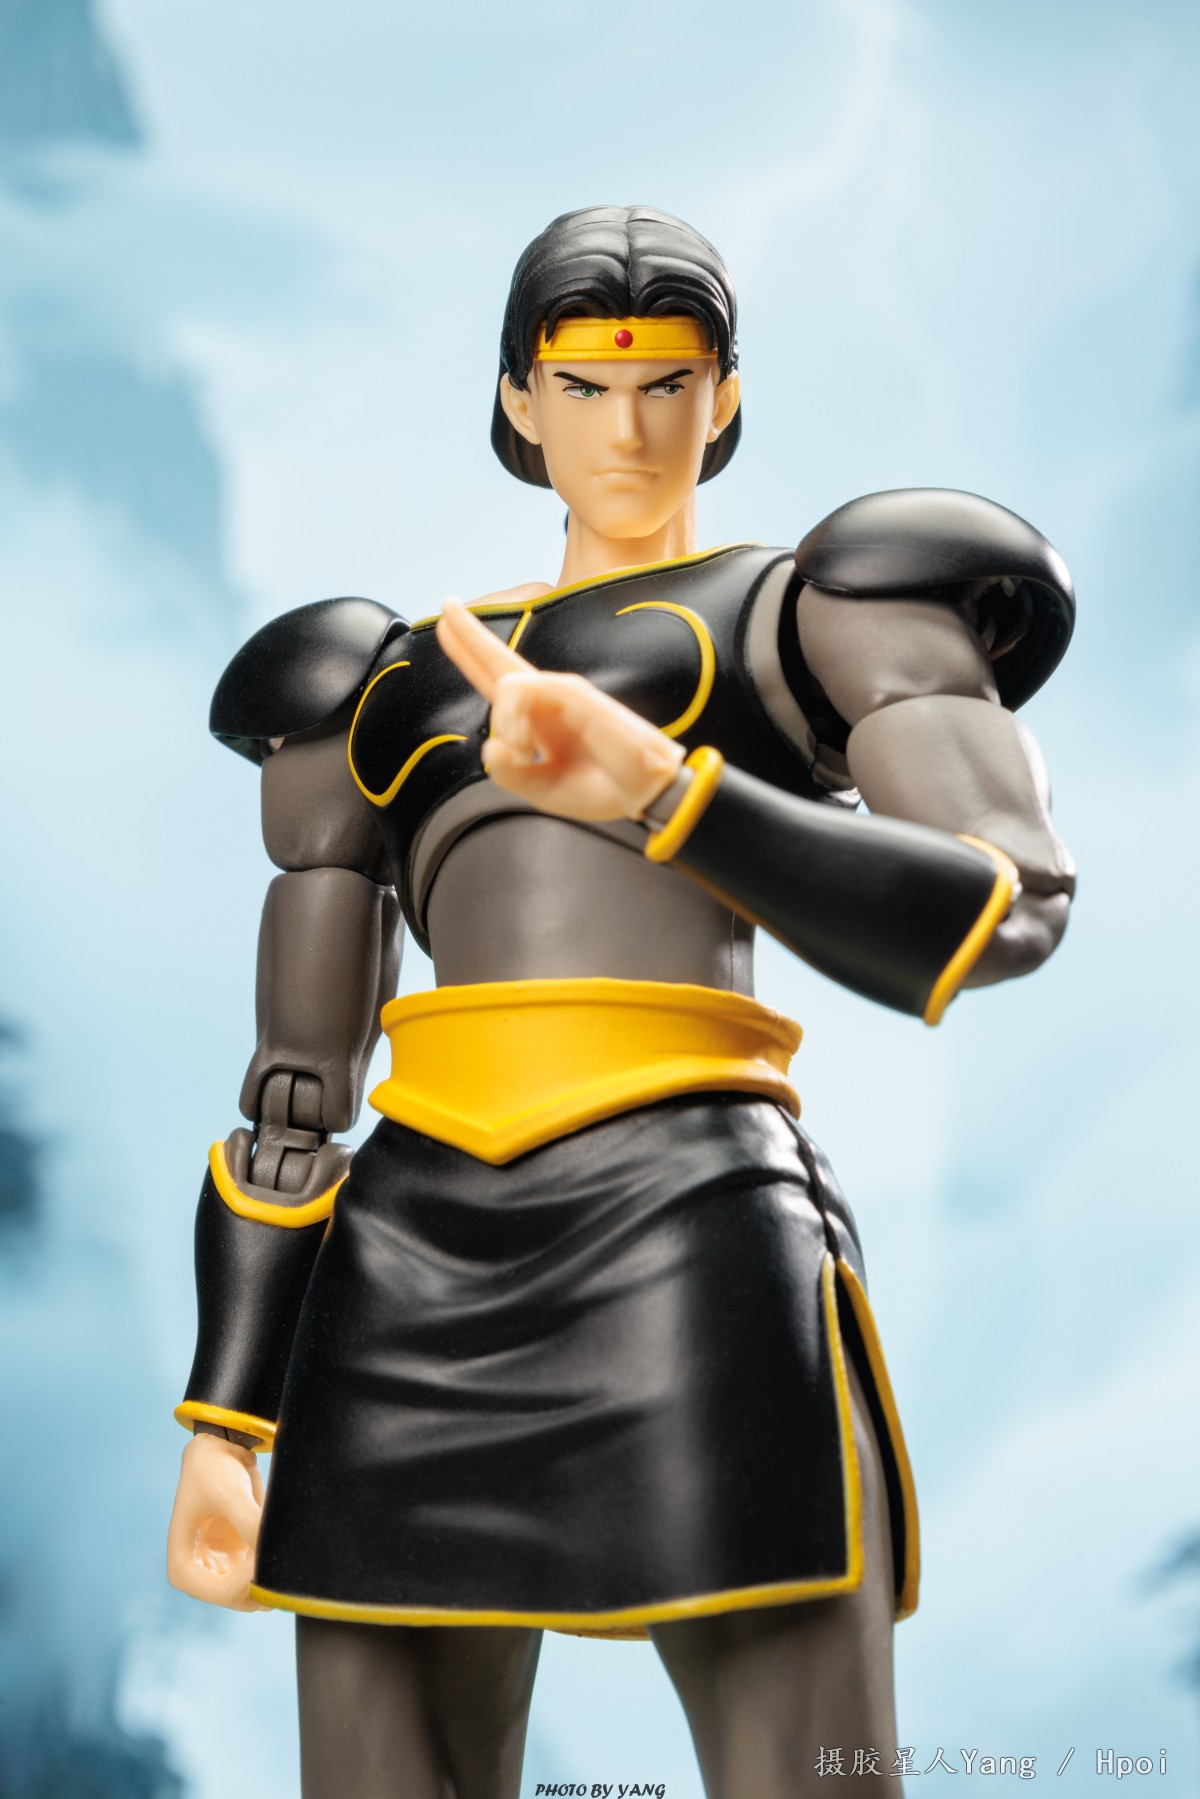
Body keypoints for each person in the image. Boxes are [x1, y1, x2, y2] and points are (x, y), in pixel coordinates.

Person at [166, 205, 1076, 1798]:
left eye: (668, 383)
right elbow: (295, 1094)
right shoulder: (378, 685)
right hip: (408, 1260)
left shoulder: (811, 612)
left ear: (726, 395)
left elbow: (1008, 902)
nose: (630, 429)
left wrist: (663, 791)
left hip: (692, 1226)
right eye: (586, 386)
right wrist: (226, 1423)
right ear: (519, 398)